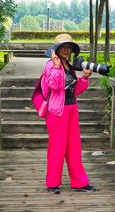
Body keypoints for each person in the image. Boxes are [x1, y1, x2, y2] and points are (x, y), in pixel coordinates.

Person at [41, 33, 96, 194]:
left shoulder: (68, 65)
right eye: (63, 47)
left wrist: (84, 78)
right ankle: (52, 183)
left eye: (68, 47)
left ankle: (79, 182)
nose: (66, 50)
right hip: (57, 111)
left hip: (71, 109)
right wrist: (57, 67)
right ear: (56, 50)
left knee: (74, 147)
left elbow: (74, 90)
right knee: (57, 146)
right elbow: (55, 85)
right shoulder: (51, 65)